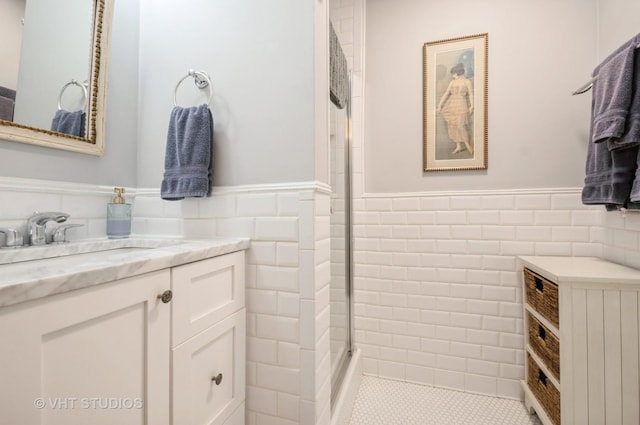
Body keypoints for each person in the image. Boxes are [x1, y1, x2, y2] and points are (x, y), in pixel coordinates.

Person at [436, 63, 474, 155]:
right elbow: (446, 93)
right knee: (452, 124)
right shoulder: (452, 82)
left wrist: (472, 105)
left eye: (453, 74)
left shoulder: (467, 82)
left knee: (460, 125)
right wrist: (439, 105)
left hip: (461, 104)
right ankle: (458, 146)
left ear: (457, 73)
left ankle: (467, 144)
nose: (452, 76)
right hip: (451, 104)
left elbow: (471, 94)